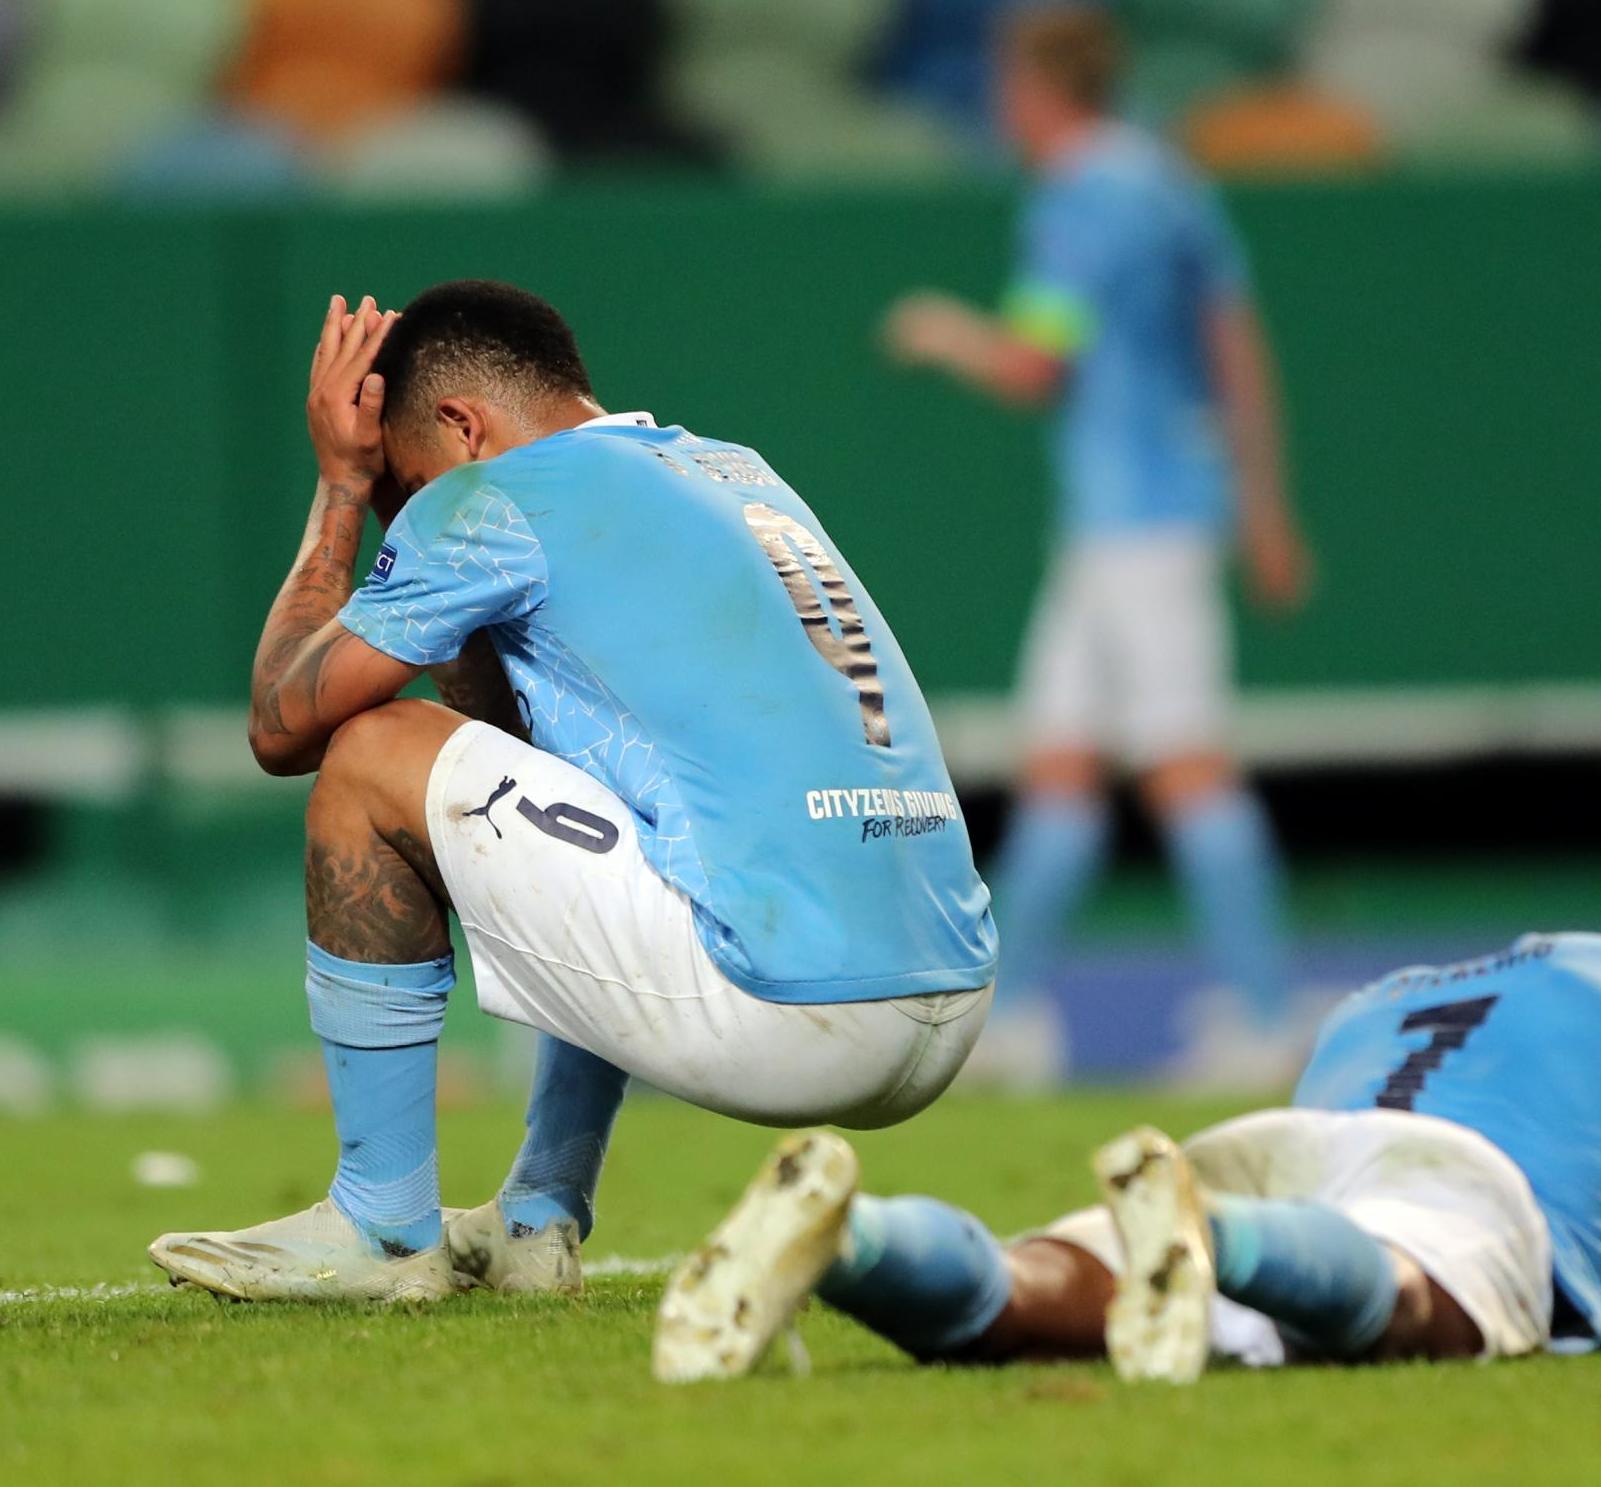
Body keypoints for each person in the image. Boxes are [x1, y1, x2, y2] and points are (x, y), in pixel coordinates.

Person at [148, 281, 998, 1303]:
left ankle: (377, 1225)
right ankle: (536, 1214)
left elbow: (281, 724)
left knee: (372, 747)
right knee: (581, 793)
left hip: (794, 1013)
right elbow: (513, 754)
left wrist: (341, 483)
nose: (406, 517)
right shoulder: (731, 470)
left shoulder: (492, 498)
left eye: (408, 487)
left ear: (462, 428)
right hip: (951, 987)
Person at [651, 933, 1601, 1382]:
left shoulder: (1381, 995)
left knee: (1035, 1291)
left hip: (1287, 1149)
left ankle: (851, 1236)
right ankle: (1216, 1249)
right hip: (1420, 1198)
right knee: (1411, 1303)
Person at [880, 5, 1315, 1087]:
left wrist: (942, 334)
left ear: (1032, 90)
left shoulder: (1077, 198)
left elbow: (1035, 365)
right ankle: (1010, 1017)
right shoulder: (1168, 178)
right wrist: (1260, 504)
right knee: (1062, 769)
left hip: (1137, 526)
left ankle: (1266, 1018)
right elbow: (1235, 343)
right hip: (1148, 517)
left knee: (1185, 767)